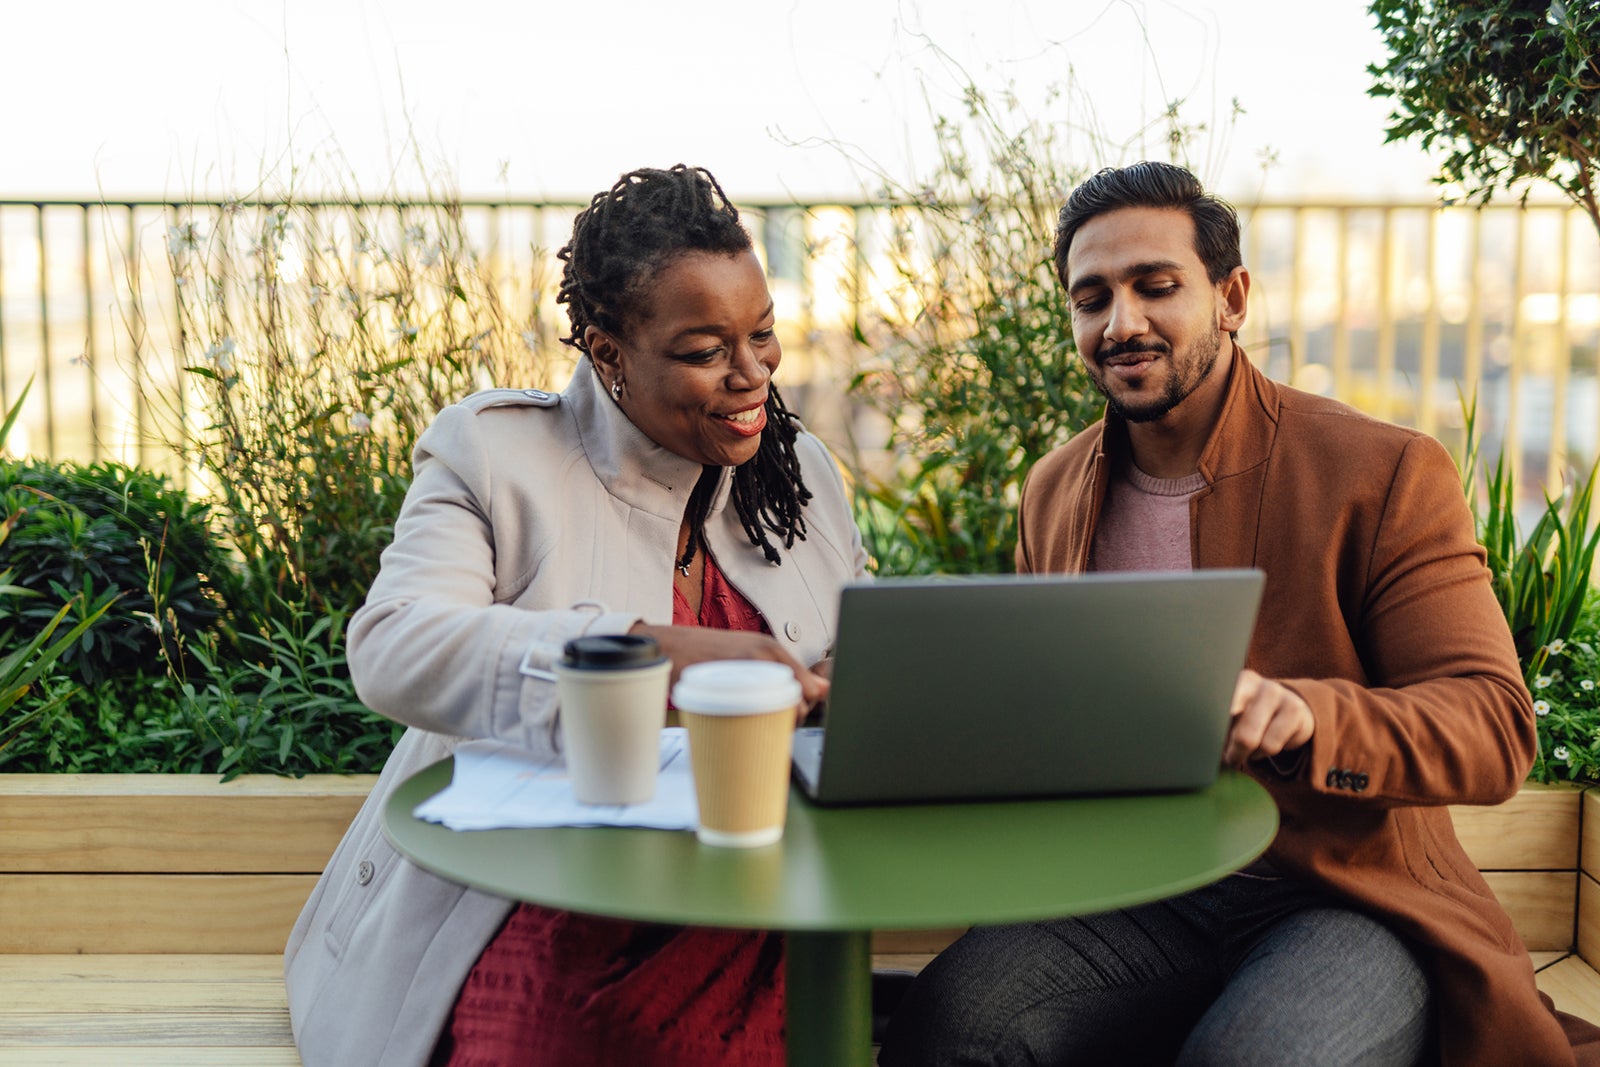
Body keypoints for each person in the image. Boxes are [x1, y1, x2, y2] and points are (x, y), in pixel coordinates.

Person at [878, 161, 1600, 1066]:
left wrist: (1310, 715)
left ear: (1232, 297)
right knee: (950, 1029)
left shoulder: (1383, 471)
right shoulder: (1052, 490)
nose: (1121, 322)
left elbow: (1494, 727)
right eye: (1091, 297)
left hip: (1342, 897)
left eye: (1157, 286)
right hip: (1134, 890)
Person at [283, 164, 868, 1067]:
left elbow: (848, 657)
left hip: (753, 891)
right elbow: (394, 647)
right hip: (533, 895)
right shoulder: (496, 454)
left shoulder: (802, 476)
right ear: (606, 353)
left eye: (762, 335)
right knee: (584, 1037)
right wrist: (637, 653)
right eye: (706, 350)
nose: (752, 374)